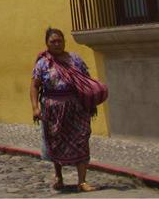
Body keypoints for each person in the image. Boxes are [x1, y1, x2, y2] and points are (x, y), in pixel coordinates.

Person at [30, 27, 107, 192]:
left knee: (81, 138)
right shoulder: (43, 63)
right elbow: (35, 86)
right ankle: (59, 176)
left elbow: (85, 82)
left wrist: (91, 103)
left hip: (76, 107)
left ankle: (82, 181)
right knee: (56, 141)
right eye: (53, 41)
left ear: (64, 41)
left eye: (60, 40)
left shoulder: (75, 60)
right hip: (53, 109)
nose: (57, 44)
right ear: (47, 44)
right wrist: (35, 108)